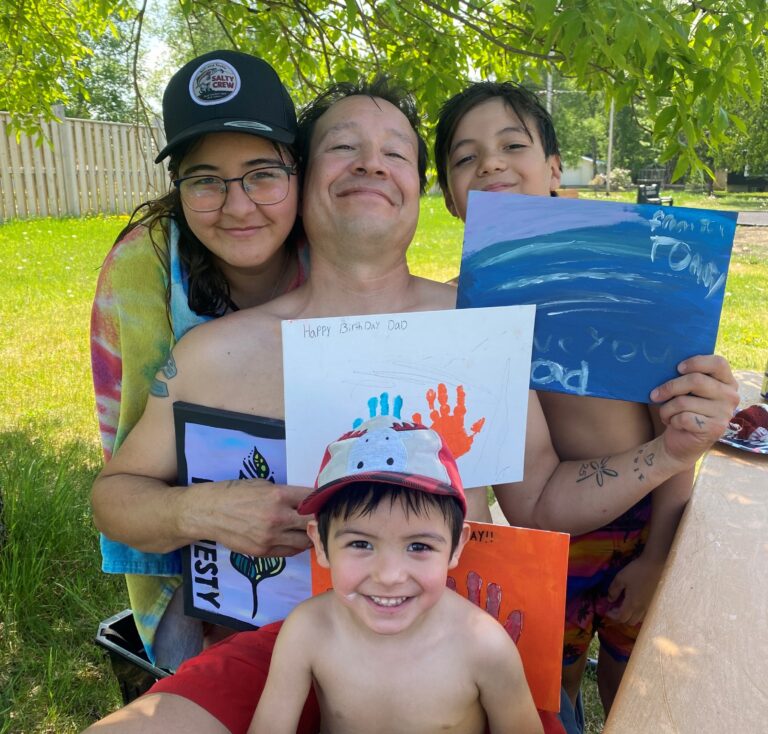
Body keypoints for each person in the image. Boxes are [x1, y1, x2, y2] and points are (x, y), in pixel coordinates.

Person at [85, 77, 736, 733]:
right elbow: (114, 496)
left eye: (395, 152)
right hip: (275, 651)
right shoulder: (216, 354)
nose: (371, 161)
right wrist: (197, 508)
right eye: (344, 146)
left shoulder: (479, 327)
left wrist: (669, 451)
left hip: (456, 657)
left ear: (420, 192)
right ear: (305, 179)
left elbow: (540, 501)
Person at [432, 80, 736, 718]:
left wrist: (657, 556)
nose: (489, 162)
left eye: (511, 144)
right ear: (452, 199)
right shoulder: (462, 307)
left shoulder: (624, 267)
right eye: (465, 157)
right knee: (556, 677)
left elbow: (674, 430)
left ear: (553, 169)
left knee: (634, 681)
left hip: (651, 518)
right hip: (553, 544)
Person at [89, 49, 307, 668]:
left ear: (299, 170)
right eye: (205, 179)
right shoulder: (145, 270)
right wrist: (206, 512)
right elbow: (126, 478)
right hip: (196, 561)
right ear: (177, 185)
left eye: (262, 172)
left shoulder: (332, 252)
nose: (237, 206)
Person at [247, 415, 544, 734]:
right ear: (320, 544)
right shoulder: (308, 631)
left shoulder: (484, 647)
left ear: (457, 547)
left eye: (419, 546)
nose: (389, 576)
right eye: (360, 543)